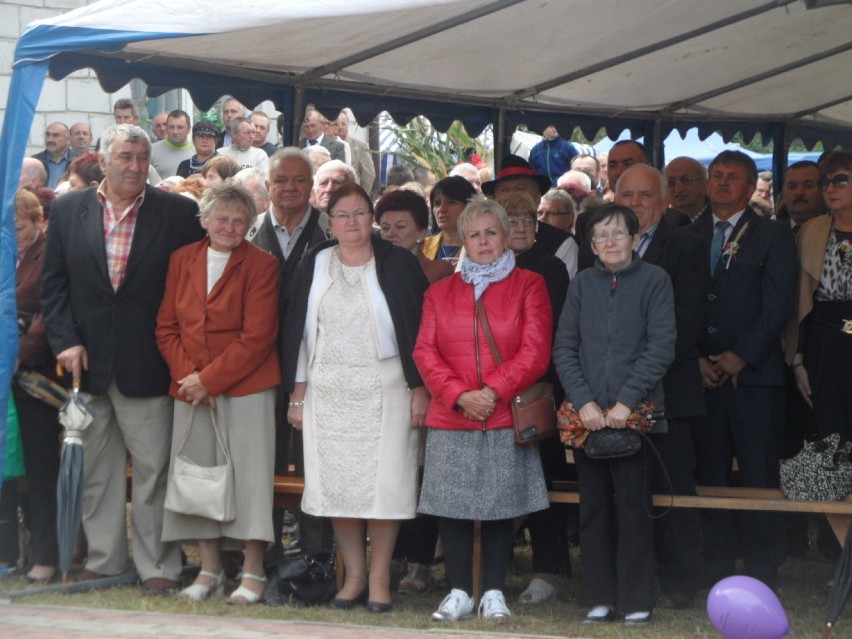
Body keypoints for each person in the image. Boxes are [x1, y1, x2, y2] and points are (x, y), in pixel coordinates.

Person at [40, 123, 205, 595]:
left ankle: (159, 566)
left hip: (150, 363)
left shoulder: (176, 211)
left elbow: (190, 289)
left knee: (154, 472)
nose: (135, 166)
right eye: (125, 157)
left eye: (141, 157)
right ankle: (105, 559)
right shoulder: (69, 209)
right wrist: (64, 340)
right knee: (97, 471)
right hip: (86, 364)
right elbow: (54, 286)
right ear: (103, 157)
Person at [281, 183, 429, 613]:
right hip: (329, 393)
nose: (352, 222)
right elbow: (300, 332)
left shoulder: (398, 263)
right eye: (343, 215)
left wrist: (420, 387)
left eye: (360, 213)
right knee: (339, 487)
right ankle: (354, 577)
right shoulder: (316, 262)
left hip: (387, 390)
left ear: (373, 219)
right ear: (330, 222)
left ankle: (380, 578)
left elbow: (419, 330)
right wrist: (298, 393)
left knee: (385, 487)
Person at [414, 198, 552, 621]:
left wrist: (490, 392)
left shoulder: (530, 284)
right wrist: (459, 395)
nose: (484, 241)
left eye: (492, 232)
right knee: (451, 506)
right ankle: (459, 592)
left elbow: (535, 352)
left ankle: (492, 591)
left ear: (508, 235)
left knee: (500, 506)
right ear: (462, 241)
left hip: (504, 411)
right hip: (452, 413)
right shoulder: (439, 291)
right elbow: (425, 351)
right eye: (474, 234)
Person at [156, 180, 281, 604]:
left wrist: (209, 380)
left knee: (250, 478)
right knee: (200, 476)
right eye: (222, 219)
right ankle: (209, 570)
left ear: (249, 224)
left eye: (239, 221)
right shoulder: (181, 259)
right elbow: (167, 327)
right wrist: (190, 378)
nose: (230, 227)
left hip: (246, 387)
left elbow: (258, 336)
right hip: (190, 388)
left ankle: (252, 571)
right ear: (205, 219)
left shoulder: (263, 265)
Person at [553, 203, 675, 626]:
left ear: (635, 237)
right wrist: (583, 400)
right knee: (594, 511)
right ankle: (599, 597)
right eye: (600, 235)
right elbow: (564, 347)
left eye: (617, 233)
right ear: (590, 244)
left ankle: (637, 599)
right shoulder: (582, 284)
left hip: (635, 416)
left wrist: (626, 402)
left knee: (634, 511)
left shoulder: (655, 281)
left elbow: (661, 346)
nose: (609, 242)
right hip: (587, 420)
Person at [689, 150, 796, 589]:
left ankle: (761, 567)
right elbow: (678, 303)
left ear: (752, 187)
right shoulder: (689, 233)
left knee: (758, 473)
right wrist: (694, 356)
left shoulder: (771, 235)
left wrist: (743, 354)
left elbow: (779, 303)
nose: (723, 183)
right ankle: (715, 565)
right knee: (709, 473)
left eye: (734, 177)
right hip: (702, 376)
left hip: (754, 375)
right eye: (717, 176)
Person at [374, 187, 452, 594]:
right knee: (387, 471)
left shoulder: (439, 273)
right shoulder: (369, 270)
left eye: (401, 226)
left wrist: (424, 385)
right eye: (384, 226)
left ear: (422, 231)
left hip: (425, 384)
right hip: (379, 388)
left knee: (421, 473)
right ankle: (390, 558)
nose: (391, 233)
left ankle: (420, 562)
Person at [498, 190, 571, 605]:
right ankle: (495, 562)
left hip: (537, 388)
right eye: (513, 219)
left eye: (528, 218)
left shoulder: (550, 267)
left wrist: (519, 379)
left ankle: (550, 566)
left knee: (543, 476)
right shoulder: (483, 265)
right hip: (492, 391)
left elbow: (548, 332)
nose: (522, 225)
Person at [4, 190, 63, 582]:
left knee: (41, 470)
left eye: (20, 227)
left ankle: (47, 553)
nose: (14, 234)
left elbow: (51, 310)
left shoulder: (48, 255)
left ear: (38, 221)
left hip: (32, 377)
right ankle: (9, 551)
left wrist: (13, 355)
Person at [789, 151, 852, 440]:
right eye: (825, 182)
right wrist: (799, 360)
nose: (830, 189)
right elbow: (800, 303)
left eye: (841, 181)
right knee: (828, 435)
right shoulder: (812, 231)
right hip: (823, 343)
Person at [376, 188, 454, 284]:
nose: (390, 233)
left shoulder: (439, 271)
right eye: (385, 228)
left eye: (400, 226)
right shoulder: (373, 270)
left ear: (421, 233)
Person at [421, 176, 476, 267]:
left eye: (451, 202)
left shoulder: (481, 246)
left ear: (469, 206)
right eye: (437, 203)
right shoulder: (422, 247)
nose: (442, 209)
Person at [31, 122, 80, 189]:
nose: (50, 139)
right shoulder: (35, 161)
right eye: (48, 135)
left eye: (56, 135)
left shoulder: (80, 161)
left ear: (68, 140)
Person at [150, 110, 194, 179]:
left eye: (180, 127)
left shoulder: (197, 152)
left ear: (189, 129)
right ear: (167, 128)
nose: (175, 132)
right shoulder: (151, 150)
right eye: (171, 127)